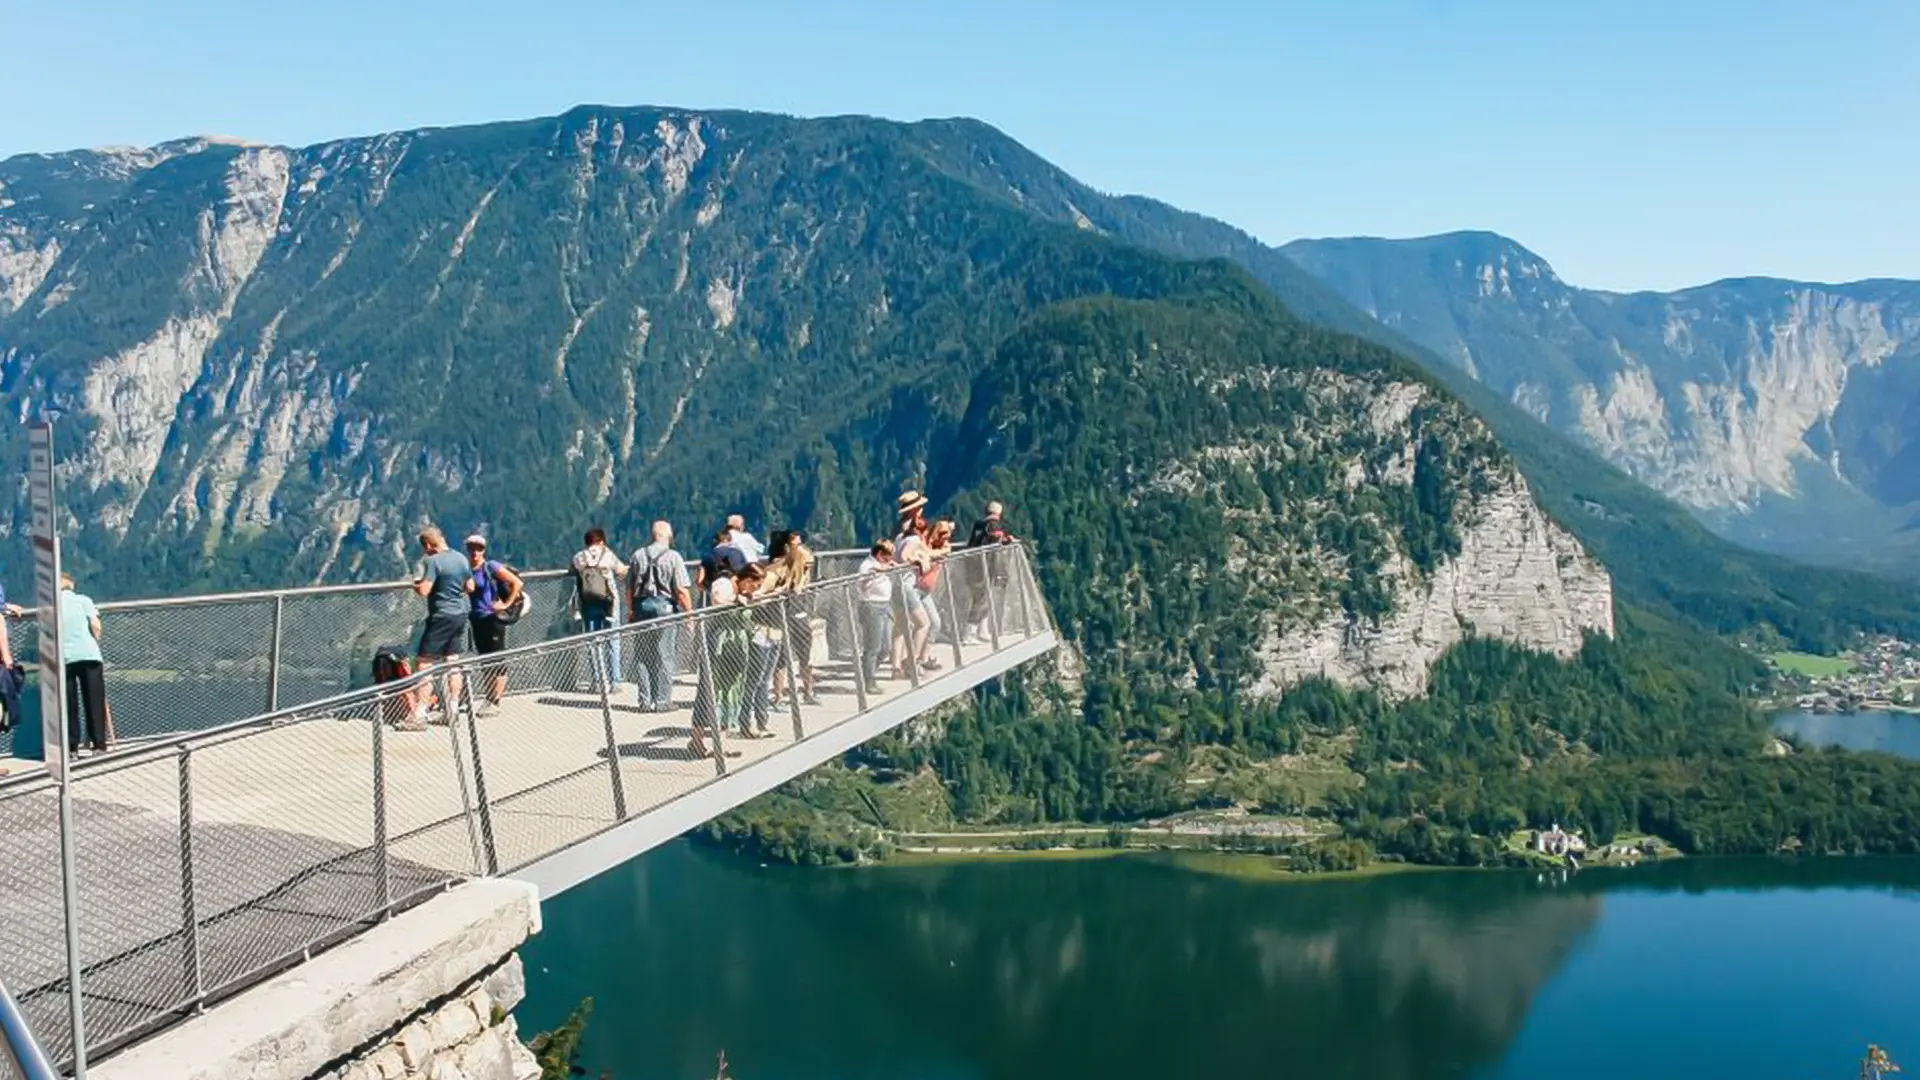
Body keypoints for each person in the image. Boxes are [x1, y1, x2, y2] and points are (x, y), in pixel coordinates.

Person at [407, 527, 472, 730]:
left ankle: (420, 712)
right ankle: (452, 709)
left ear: (428, 545)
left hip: (441, 615)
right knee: (452, 660)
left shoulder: (433, 561)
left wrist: (415, 585)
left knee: (424, 663)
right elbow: (470, 587)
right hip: (460, 614)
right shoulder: (461, 558)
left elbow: (425, 590)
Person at [629, 521, 692, 713]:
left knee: (643, 654)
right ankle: (663, 701)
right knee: (665, 655)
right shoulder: (673, 557)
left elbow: (630, 587)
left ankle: (645, 701)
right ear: (668, 536)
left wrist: (631, 610)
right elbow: (680, 590)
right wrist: (689, 614)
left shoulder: (638, 555)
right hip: (664, 608)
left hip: (641, 607)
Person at [465, 535, 524, 715]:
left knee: (497, 658)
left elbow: (517, 583)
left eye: (479, 548)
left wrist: (505, 605)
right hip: (476, 619)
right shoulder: (467, 570)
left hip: (492, 618)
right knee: (485, 659)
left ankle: (495, 700)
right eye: (472, 548)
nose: (475, 552)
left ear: (484, 550)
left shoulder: (489, 566)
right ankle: (489, 696)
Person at [57, 572, 111, 754]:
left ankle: (71, 747)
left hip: (63, 658)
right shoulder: (84, 600)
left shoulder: (52, 605)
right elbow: (95, 625)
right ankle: (99, 745)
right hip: (89, 655)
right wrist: (96, 640)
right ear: (72, 585)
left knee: (68, 703)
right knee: (94, 700)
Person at [765, 530, 819, 707]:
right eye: (796, 545)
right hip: (781, 615)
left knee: (806, 654)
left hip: (799, 612)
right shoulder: (777, 566)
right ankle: (779, 695)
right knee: (781, 657)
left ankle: (808, 691)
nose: (801, 549)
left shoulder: (802, 562)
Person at [571, 526, 628, 689]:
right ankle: (614, 681)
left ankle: (597, 681)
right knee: (612, 640)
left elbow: (572, 568)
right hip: (609, 603)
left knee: (592, 641)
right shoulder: (608, 555)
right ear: (601, 541)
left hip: (588, 602)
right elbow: (621, 570)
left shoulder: (580, 557)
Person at [738, 564, 781, 738]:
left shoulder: (774, 582)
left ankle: (762, 722)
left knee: (764, 680)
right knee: (754, 681)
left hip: (774, 634)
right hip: (758, 635)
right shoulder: (747, 589)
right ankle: (746, 723)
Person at [965, 500, 1017, 643]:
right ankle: (970, 632)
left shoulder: (979, 525)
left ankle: (982, 630)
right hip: (985, 567)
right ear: (998, 513)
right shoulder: (993, 524)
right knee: (982, 599)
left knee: (983, 599)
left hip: (973, 565)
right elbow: (995, 537)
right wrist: (1006, 539)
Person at [893, 507, 937, 675]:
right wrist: (916, 560)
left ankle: (896, 667)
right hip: (906, 586)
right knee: (923, 623)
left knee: (899, 627)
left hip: (894, 586)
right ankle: (911, 661)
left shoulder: (899, 537)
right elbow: (905, 556)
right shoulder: (913, 540)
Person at [856, 539, 896, 694]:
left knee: (886, 647)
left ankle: (866, 670)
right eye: (887, 556)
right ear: (879, 554)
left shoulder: (882, 565)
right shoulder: (867, 566)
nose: (890, 560)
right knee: (873, 646)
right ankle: (869, 680)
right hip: (871, 606)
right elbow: (862, 585)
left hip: (884, 605)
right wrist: (873, 575)